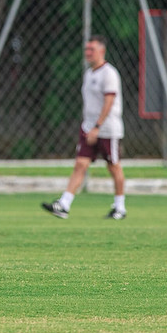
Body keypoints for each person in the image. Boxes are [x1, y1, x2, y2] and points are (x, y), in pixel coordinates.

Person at [42, 35, 127, 220]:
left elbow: (109, 101)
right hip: (88, 127)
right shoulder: (89, 74)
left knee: (113, 166)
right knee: (80, 164)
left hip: (107, 129)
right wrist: (90, 127)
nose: (88, 53)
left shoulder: (109, 73)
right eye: (87, 50)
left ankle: (120, 207)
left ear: (102, 51)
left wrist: (98, 126)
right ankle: (64, 205)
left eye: (92, 50)